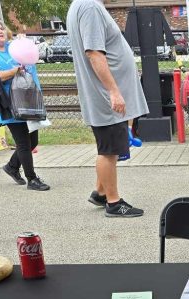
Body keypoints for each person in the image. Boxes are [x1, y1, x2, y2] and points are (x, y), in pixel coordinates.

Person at [67, 0, 147, 218]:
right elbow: (94, 53)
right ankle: (114, 202)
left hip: (102, 96)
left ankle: (101, 192)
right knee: (109, 151)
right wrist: (114, 91)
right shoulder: (90, 7)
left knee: (107, 147)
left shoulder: (81, 5)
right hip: (105, 97)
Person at [0, 18, 50, 191]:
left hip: (29, 99)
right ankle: (32, 179)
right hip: (9, 104)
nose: (1, 31)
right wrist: (14, 70)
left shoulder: (13, 47)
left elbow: (30, 60)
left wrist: (24, 43)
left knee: (32, 141)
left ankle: (11, 166)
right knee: (23, 143)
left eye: (2, 27)